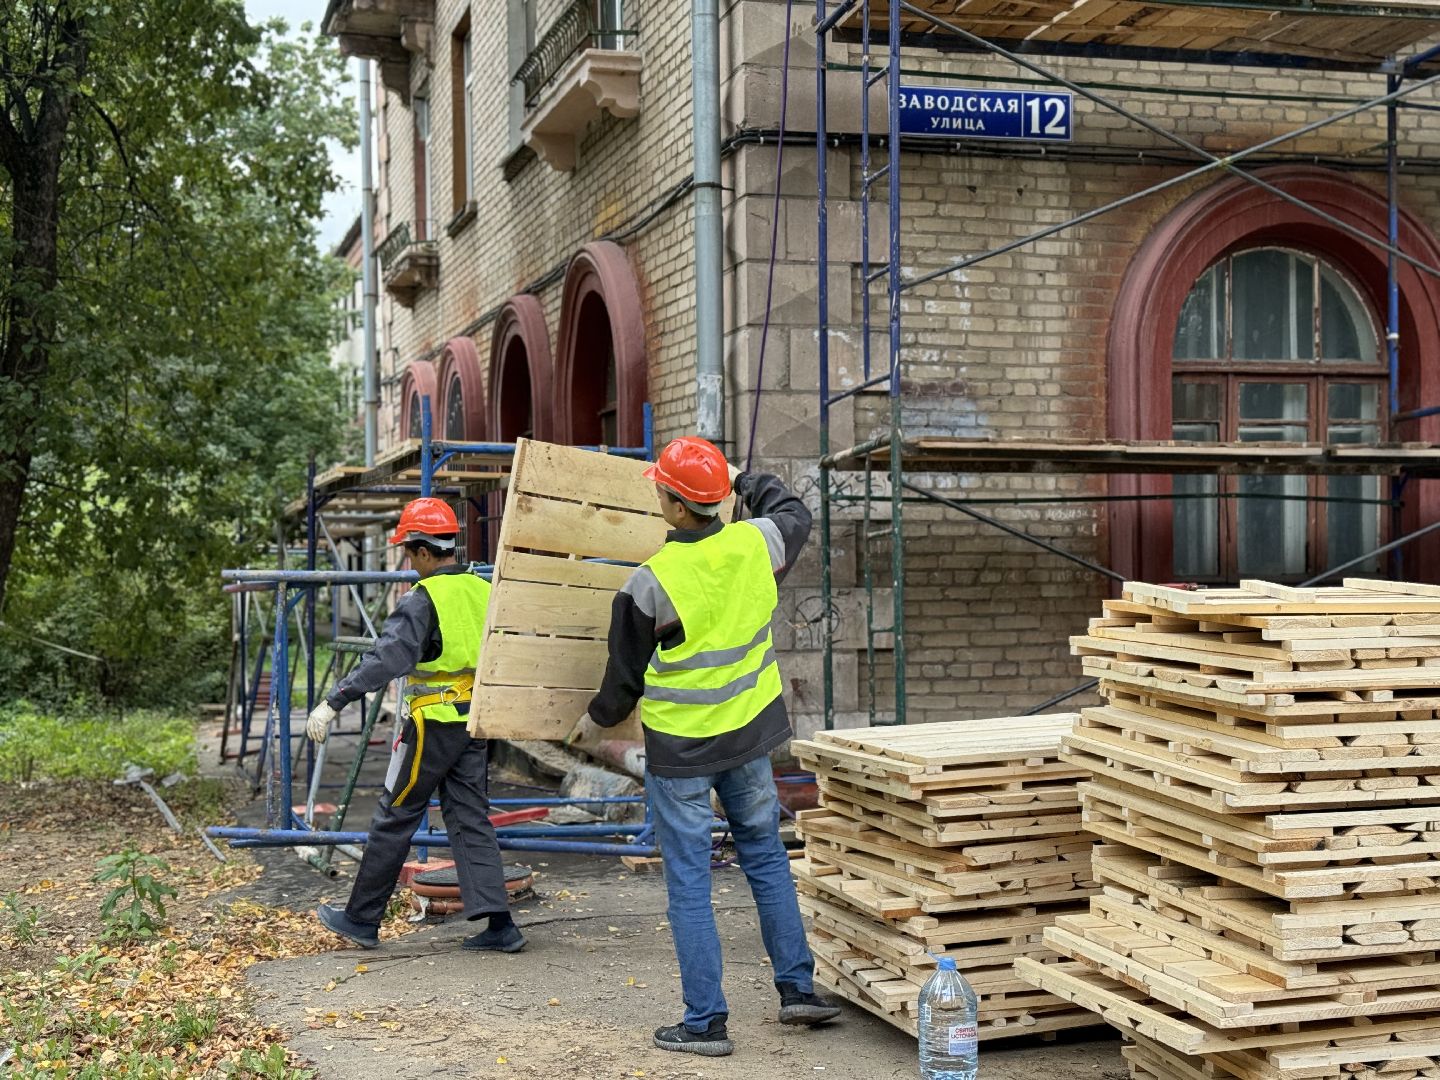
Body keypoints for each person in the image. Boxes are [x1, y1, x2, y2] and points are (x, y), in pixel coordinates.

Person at [569, 436, 841, 1057]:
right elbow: (795, 510)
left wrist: (591, 721)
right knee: (767, 860)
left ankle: (705, 1024)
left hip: (683, 755)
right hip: (750, 739)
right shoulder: (755, 544)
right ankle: (798, 990)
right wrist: (744, 480)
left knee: (690, 880)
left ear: (671, 505)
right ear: (715, 499)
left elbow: (622, 682)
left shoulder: (650, 583)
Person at [304, 497, 522, 954]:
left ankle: (361, 919)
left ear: (423, 551)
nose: (408, 561)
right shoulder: (484, 590)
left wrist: (334, 700)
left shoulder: (423, 600)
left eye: (408, 551)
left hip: (433, 724)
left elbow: (386, 660)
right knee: (470, 819)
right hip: (475, 720)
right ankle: (500, 925)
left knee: (395, 815)